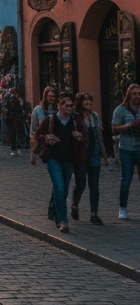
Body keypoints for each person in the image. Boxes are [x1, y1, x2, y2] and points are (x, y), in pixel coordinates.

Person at [35, 93, 86, 233]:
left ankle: (56, 213)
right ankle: (63, 220)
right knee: (59, 187)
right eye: (67, 105)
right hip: (54, 159)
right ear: (60, 105)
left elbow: (84, 138)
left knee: (63, 189)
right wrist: (46, 137)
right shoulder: (50, 119)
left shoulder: (76, 121)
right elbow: (37, 134)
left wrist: (79, 137)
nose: (70, 108)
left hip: (69, 160)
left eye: (71, 106)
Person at [72, 92, 108, 225]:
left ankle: (94, 214)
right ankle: (75, 205)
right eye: (86, 103)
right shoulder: (76, 118)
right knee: (81, 184)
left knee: (94, 186)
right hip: (81, 155)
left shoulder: (95, 117)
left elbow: (99, 136)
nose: (89, 106)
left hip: (94, 154)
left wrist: (104, 154)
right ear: (80, 104)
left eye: (90, 103)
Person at [111, 83, 140, 220]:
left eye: (139, 94)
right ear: (129, 95)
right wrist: (129, 125)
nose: (137, 96)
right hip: (126, 149)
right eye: (134, 94)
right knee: (126, 179)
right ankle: (122, 207)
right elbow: (114, 128)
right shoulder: (121, 110)